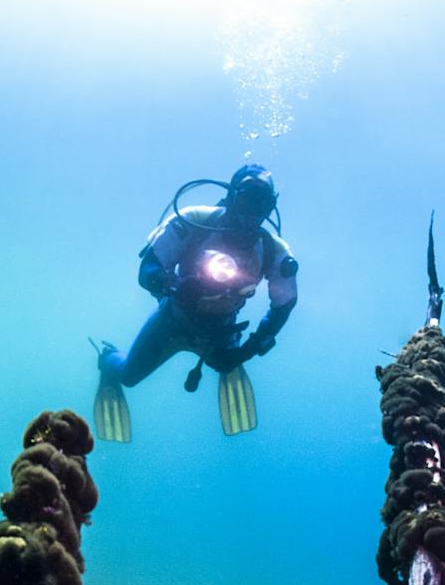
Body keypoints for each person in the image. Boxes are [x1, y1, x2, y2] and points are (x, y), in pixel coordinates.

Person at [92, 164, 298, 439]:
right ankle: (109, 360)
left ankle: (227, 359)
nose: (254, 210)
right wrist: (174, 285)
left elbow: (284, 304)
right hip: (172, 321)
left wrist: (252, 346)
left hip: (220, 332)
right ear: (232, 195)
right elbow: (148, 269)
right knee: (128, 377)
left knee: (227, 363)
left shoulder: (274, 251)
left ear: (271, 207)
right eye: (248, 198)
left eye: (263, 203)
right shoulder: (192, 222)